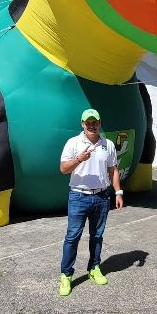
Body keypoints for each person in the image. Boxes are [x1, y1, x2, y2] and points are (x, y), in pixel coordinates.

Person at [58, 108, 124, 296]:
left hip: (102, 197)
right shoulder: (73, 143)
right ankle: (66, 275)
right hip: (79, 196)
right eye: (88, 122)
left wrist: (118, 192)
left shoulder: (108, 144)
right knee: (72, 237)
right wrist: (79, 158)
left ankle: (94, 268)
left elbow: (114, 170)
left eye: (95, 122)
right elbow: (63, 169)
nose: (92, 125)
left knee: (97, 236)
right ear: (82, 124)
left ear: (100, 123)